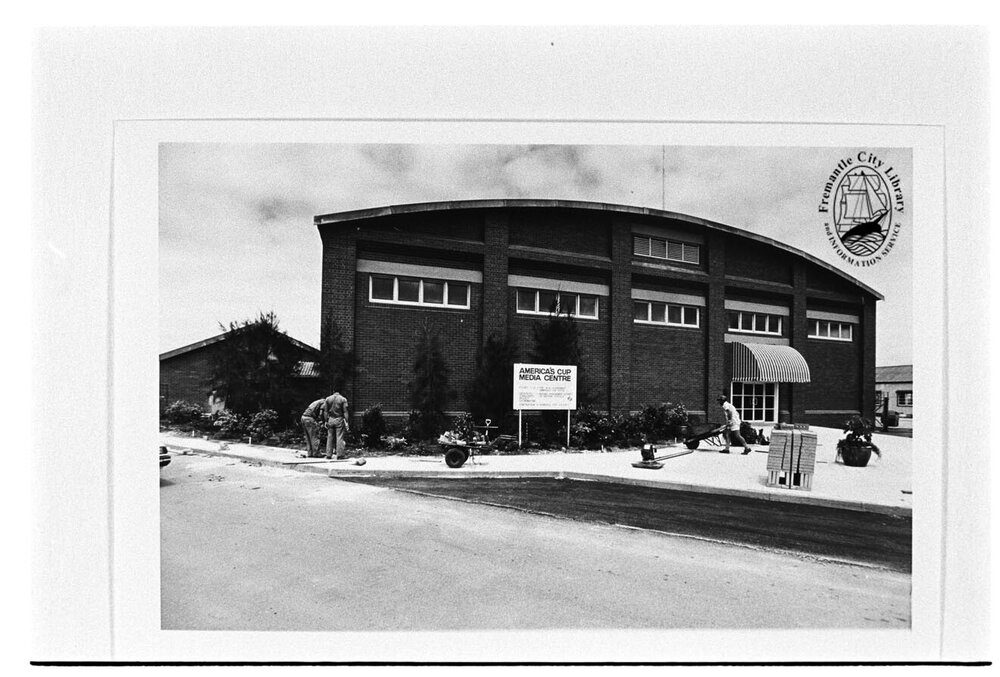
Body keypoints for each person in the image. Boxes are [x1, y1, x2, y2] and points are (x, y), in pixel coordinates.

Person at [322, 389, 351, 460]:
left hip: (330, 419)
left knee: (330, 437)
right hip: (339, 419)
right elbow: (345, 411)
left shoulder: (328, 399)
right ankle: (340, 455)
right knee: (339, 437)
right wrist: (346, 422)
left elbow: (325, 411)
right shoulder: (343, 399)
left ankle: (328, 454)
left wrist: (326, 421)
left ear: (333, 391)